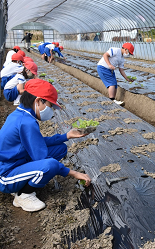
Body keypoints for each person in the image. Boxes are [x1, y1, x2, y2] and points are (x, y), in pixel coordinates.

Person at [0, 79, 91, 212]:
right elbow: (42, 157)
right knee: (51, 165)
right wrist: (74, 173)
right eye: (50, 106)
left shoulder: (21, 114)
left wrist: (67, 136)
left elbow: (39, 142)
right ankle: (23, 195)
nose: (51, 111)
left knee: (60, 148)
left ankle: (25, 184)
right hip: (6, 175)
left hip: (17, 161)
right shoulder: (26, 122)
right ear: (38, 101)